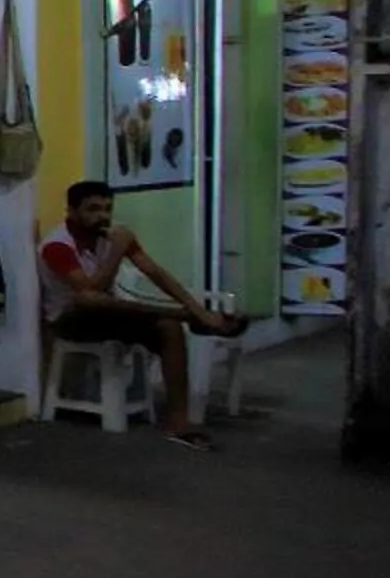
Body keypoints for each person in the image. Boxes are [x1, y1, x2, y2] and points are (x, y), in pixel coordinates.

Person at [40, 178, 247, 449]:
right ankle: (186, 316)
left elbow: (157, 274)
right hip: (70, 320)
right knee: (89, 300)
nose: (102, 216)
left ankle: (179, 423)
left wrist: (200, 309)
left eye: (107, 208)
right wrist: (117, 250)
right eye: (92, 209)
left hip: (110, 313)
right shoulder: (57, 245)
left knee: (168, 328)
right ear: (72, 211)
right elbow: (92, 290)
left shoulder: (112, 235)